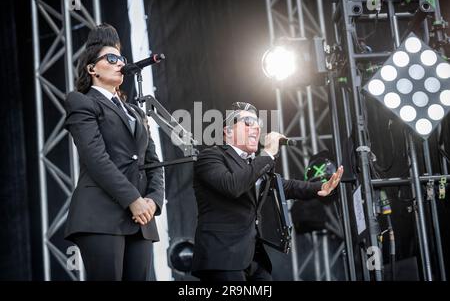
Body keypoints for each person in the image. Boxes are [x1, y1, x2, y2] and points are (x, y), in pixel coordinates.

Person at [192, 102, 343, 281]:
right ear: (228, 131)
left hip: (253, 259)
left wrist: (320, 187)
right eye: (247, 121)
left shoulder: (251, 165)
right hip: (222, 257)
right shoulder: (210, 157)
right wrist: (268, 154)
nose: (256, 127)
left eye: (258, 123)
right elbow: (232, 185)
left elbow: (283, 186)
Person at [64, 24, 164, 281]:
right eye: (112, 58)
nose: (120, 63)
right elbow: (95, 158)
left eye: (122, 59)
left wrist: (153, 199)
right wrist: (133, 199)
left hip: (141, 217)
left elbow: (152, 161)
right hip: (100, 214)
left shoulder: (135, 111)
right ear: (92, 68)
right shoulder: (81, 102)